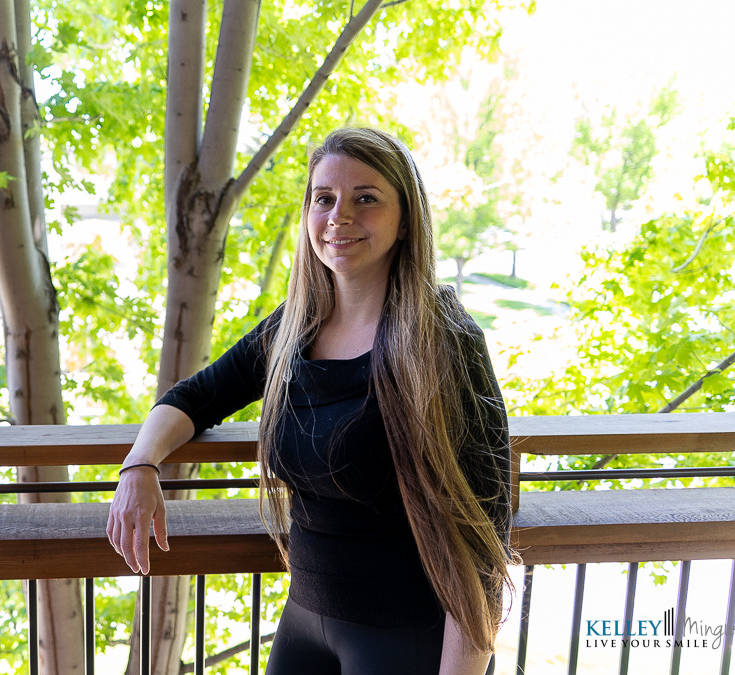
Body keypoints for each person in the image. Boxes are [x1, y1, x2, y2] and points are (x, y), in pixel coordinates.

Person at [106, 127, 516, 674]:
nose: (339, 217)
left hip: (404, 635)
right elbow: (196, 397)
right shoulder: (294, 328)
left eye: (365, 198)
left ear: (405, 220)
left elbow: (484, 537)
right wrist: (140, 464)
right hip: (303, 624)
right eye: (324, 198)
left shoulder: (443, 340)